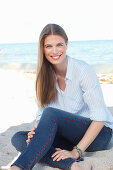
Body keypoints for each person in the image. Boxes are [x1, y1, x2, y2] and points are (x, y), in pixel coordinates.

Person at [9, 23, 113, 170]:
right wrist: (37, 132)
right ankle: (72, 166)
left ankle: (18, 167)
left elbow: (100, 118)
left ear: (67, 44)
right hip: (68, 137)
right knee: (19, 139)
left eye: (59, 45)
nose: (55, 51)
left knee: (51, 114)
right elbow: (41, 114)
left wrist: (75, 152)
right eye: (49, 46)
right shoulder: (43, 77)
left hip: (99, 136)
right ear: (42, 49)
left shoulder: (82, 70)